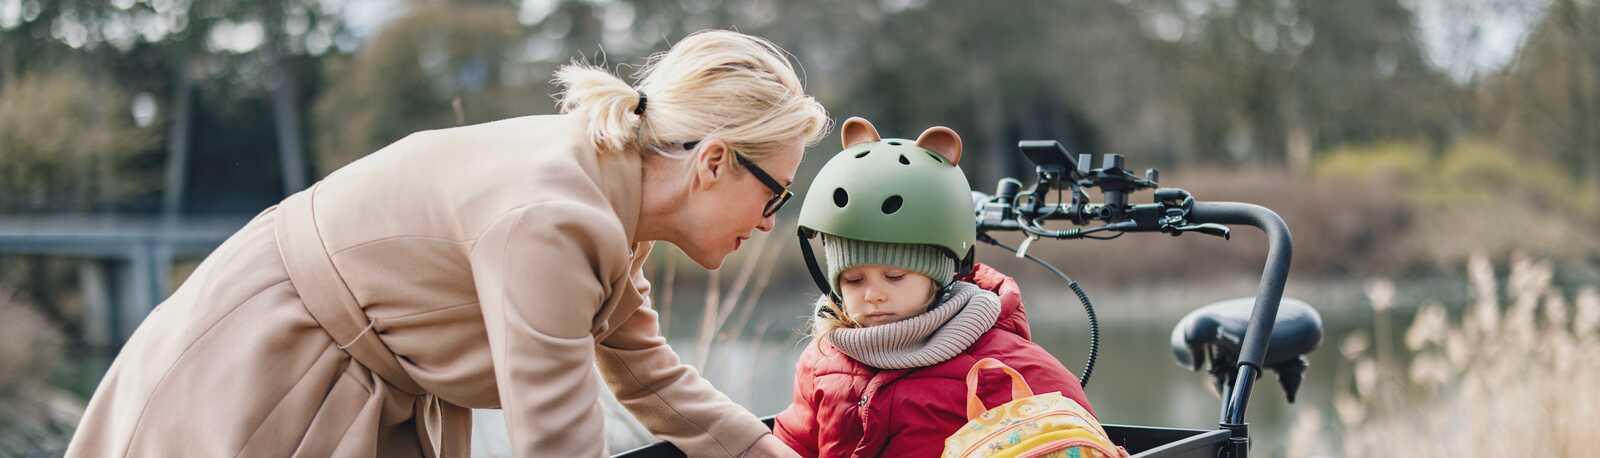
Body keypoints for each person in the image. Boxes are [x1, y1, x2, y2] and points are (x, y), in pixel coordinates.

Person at [66, 30, 828, 458]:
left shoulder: (607, 198)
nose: (771, 222)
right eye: (776, 193)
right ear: (714, 161)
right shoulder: (556, 218)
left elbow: (652, 382)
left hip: (358, 386)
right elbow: (558, 445)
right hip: (272, 371)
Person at [773, 117, 1095, 457]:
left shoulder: (1002, 367)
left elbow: (1077, 441)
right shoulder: (824, 359)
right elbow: (792, 446)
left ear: (938, 275)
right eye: (853, 280)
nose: (873, 294)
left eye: (895, 276)